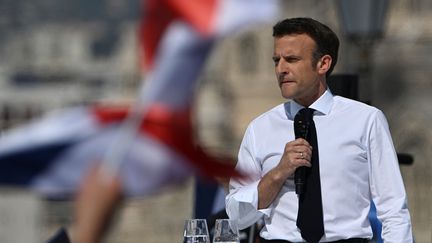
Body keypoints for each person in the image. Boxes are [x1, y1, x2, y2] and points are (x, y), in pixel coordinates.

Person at [225, 17, 413, 243]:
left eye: (292, 59)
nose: (281, 69)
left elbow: (393, 209)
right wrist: (278, 172)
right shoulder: (260, 128)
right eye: (277, 60)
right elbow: (236, 217)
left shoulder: (366, 120)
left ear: (323, 64)